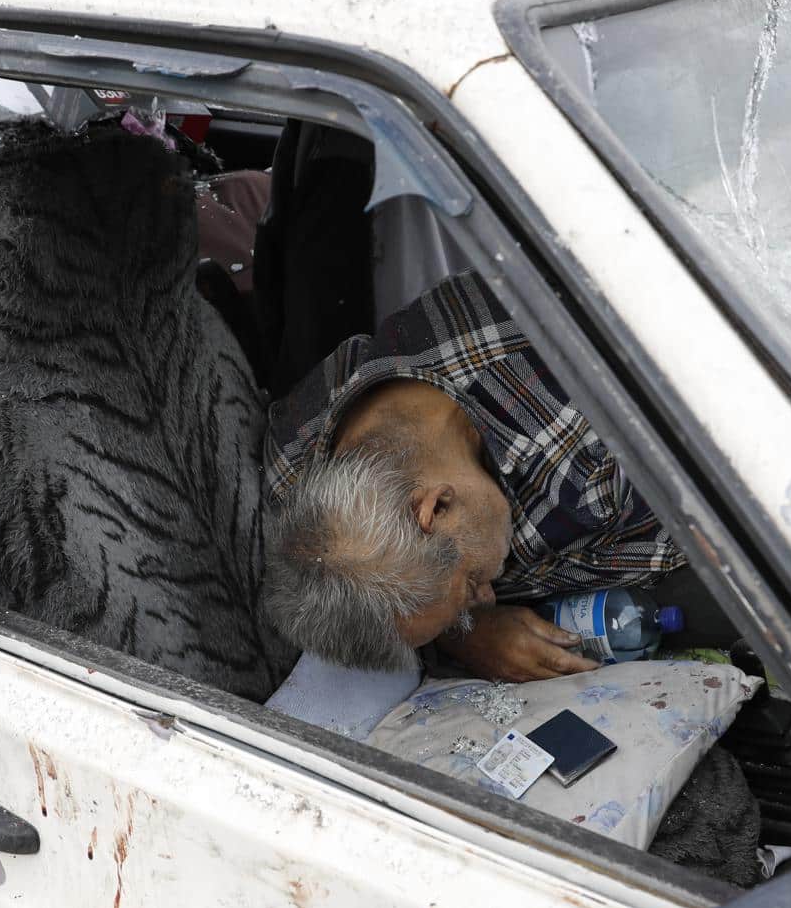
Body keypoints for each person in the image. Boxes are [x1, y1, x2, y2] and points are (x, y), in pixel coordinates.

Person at [262, 271, 685, 682]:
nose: (488, 599)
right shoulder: (292, 458)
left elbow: (699, 547)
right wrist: (464, 635)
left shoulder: (585, 464)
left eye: (472, 587)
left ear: (437, 506)